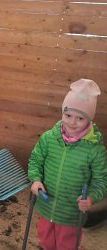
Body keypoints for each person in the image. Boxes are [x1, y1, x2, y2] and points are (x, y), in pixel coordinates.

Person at [28, 79, 107, 250]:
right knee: (46, 242)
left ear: (90, 120)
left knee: (67, 245)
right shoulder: (49, 138)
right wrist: (35, 179)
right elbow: (35, 160)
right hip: (46, 205)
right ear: (62, 113)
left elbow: (102, 181)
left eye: (80, 118)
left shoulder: (95, 150)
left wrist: (91, 197)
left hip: (72, 213)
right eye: (68, 115)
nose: (72, 122)